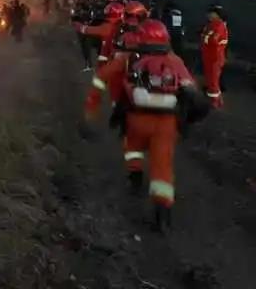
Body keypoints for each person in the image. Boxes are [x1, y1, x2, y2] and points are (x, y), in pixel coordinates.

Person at [85, 20, 208, 231]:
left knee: (132, 147)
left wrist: (93, 104)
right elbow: (190, 90)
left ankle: (135, 175)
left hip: (136, 118)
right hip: (167, 123)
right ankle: (162, 212)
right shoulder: (174, 60)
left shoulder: (128, 58)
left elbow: (102, 76)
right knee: (163, 167)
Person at [74, 2, 125, 67]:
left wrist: (76, 24)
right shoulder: (124, 25)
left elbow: (85, 30)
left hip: (111, 59)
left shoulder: (107, 27)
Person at [201, 4, 229, 108]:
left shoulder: (218, 25)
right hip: (210, 57)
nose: (208, 15)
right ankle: (217, 100)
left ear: (216, 14)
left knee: (213, 81)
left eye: (211, 13)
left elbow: (213, 40)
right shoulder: (212, 24)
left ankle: (214, 102)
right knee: (212, 80)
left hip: (215, 58)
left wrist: (205, 36)